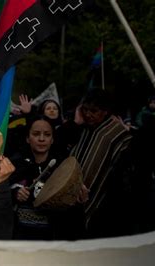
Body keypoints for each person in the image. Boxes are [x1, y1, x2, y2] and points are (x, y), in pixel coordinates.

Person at [65, 89, 132, 238]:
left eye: (94, 111)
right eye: (85, 109)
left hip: (102, 207)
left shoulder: (117, 134)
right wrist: (75, 123)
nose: (88, 114)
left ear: (106, 111)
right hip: (70, 203)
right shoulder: (82, 128)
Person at [8, 115, 86, 240]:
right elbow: (1, 195)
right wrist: (15, 193)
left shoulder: (62, 167)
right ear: (28, 138)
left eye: (47, 134)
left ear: (52, 139)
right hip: (22, 237)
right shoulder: (14, 165)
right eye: (36, 134)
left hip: (53, 237)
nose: (42, 139)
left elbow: (72, 209)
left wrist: (78, 197)